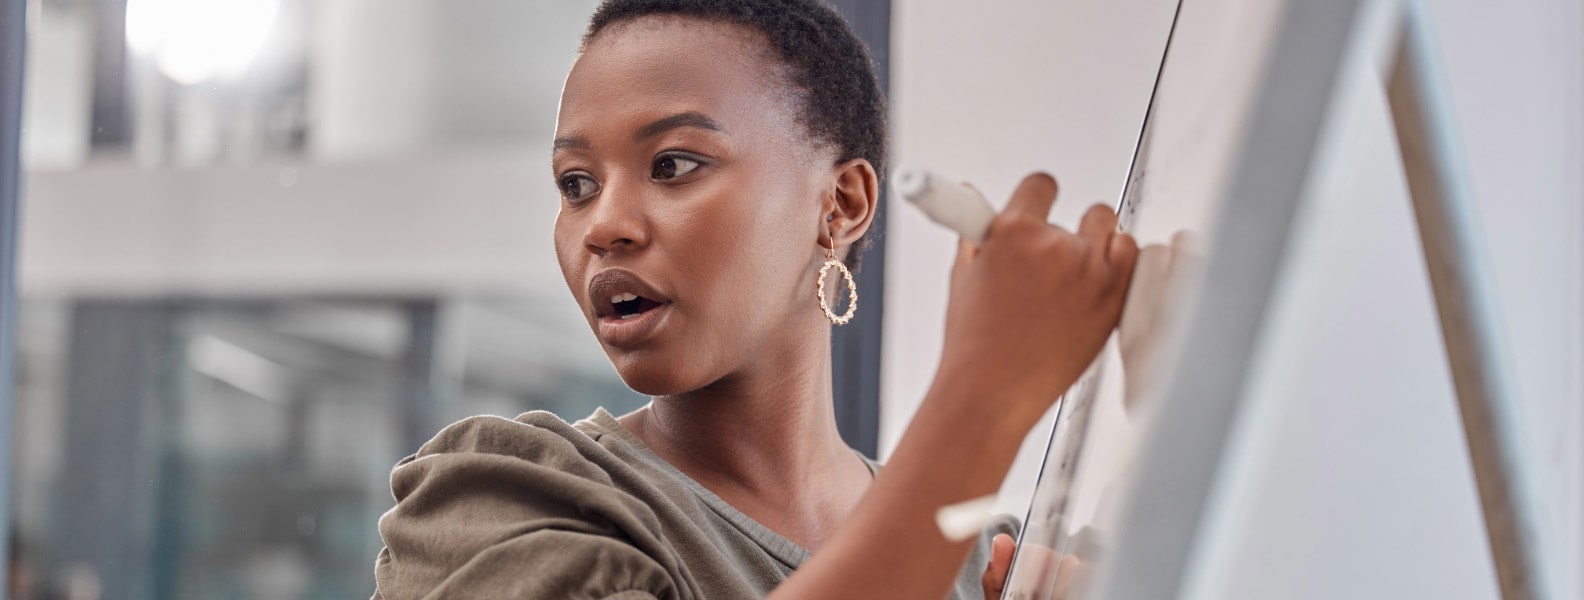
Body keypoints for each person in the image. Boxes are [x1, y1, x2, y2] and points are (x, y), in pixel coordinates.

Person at [371, 0, 1136, 598]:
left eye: (672, 165)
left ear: (840, 204)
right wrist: (982, 396)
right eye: (577, 184)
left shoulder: (994, 564)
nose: (602, 225)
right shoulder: (505, 505)